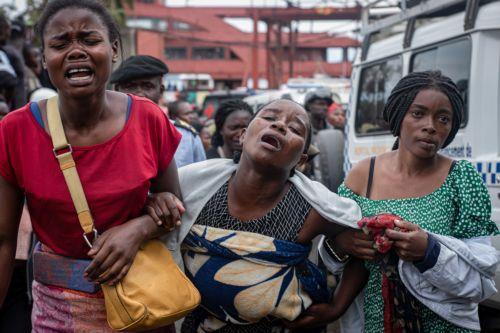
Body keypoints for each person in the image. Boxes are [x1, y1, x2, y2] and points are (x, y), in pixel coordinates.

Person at [0, 1, 184, 332]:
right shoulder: (15, 130)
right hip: (59, 312)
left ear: (113, 49)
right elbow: (2, 240)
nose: (76, 51)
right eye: (60, 43)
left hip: (143, 305)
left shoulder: (149, 119)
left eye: (89, 39)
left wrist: (137, 229)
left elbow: (172, 208)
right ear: (43, 58)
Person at [147, 99, 368, 333]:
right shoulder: (191, 185)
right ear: (242, 137)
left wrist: (337, 306)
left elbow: (364, 249)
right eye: (270, 118)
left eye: (295, 129)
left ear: (301, 160)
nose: (280, 126)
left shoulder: (313, 208)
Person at [322, 71, 499, 333]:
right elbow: (334, 255)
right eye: (418, 113)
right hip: (377, 323)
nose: (431, 126)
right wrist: (342, 244)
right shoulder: (363, 175)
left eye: (443, 118)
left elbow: (481, 278)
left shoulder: (462, 179)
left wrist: (428, 253)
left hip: (447, 326)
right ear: (399, 115)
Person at [111, 55, 206, 167]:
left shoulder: (186, 137)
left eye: (147, 86)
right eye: (130, 86)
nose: (140, 94)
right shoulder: (104, 134)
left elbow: (202, 182)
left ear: (160, 91)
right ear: (117, 90)